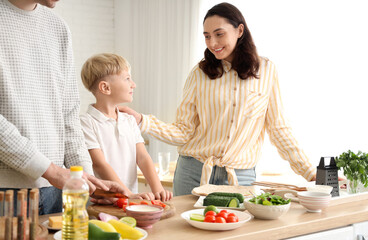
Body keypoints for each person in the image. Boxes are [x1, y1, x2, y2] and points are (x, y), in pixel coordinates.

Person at [120, 2, 317, 196]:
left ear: (240, 30)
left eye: (219, 34)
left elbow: (278, 129)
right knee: (186, 228)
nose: (213, 43)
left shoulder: (266, 71)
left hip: (240, 177)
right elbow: (183, 130)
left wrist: (311, 173)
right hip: (193, 173)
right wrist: (142, 121)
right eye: (207, 36)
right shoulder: (199, 73)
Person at [0, 0, 131, 215]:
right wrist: (50, 170)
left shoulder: (58, 28)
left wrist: (87, 179)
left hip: (57, 188)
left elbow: (68, 113)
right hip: (6, 191)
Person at [79, 53, 173, 201]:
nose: (133, 84)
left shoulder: (129, 120)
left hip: (131, 198)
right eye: (127, 78)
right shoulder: (86, 122)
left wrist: (158, 189)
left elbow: (142, 157)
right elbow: (99, 164)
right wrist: (127, 194)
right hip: (105, 202)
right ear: (105, 87)